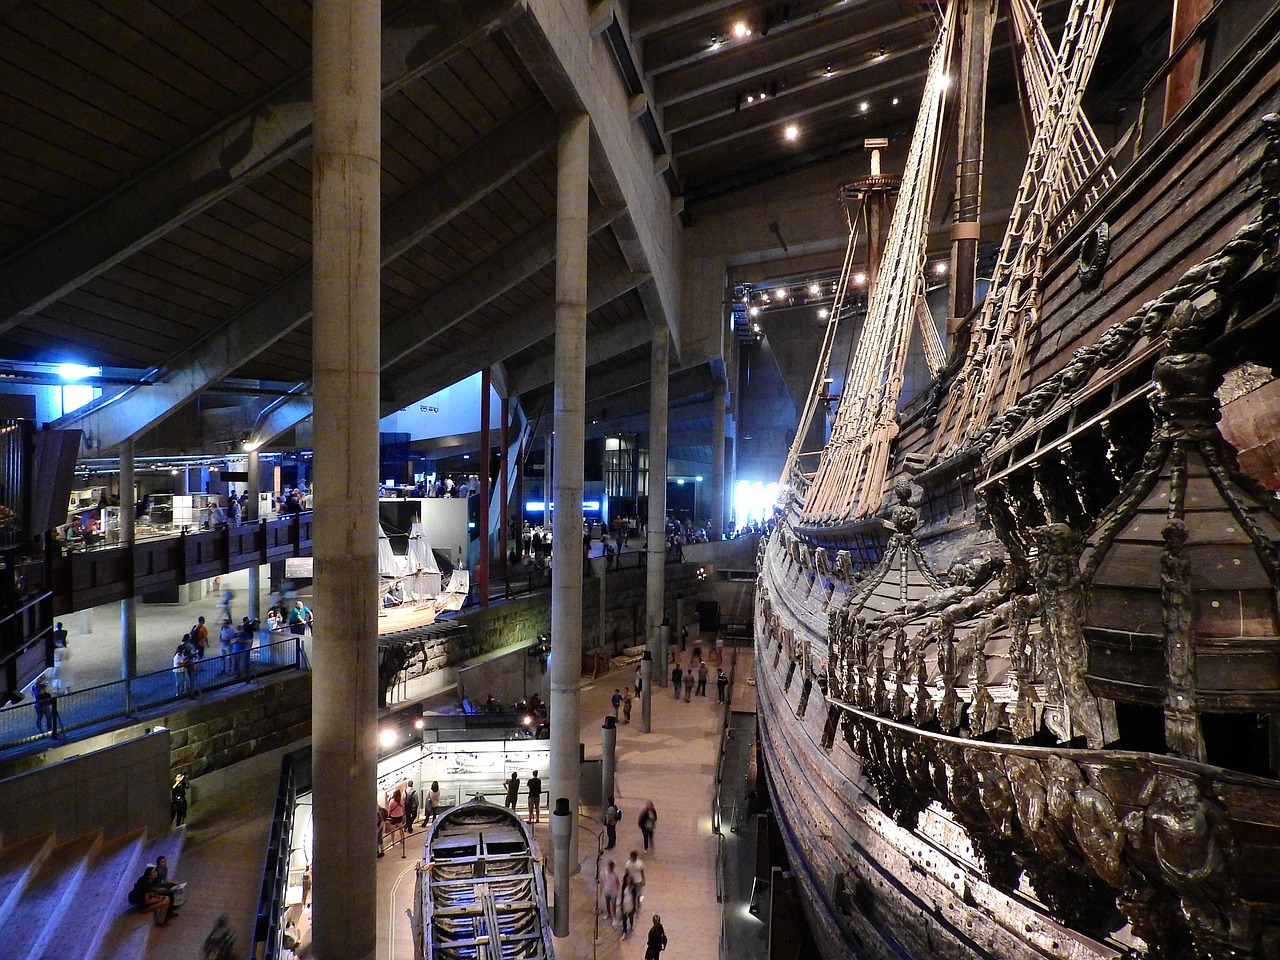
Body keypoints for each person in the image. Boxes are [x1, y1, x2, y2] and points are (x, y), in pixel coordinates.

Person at [386, 787, 407, 857]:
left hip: (393, 817)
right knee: (400, 828)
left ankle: (392, 841)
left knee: (393, 830)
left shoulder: (392, 801)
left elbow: (389, 809)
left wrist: (388, 815)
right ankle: (402, 839)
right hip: (400, 816)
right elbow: (403, 807)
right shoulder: (401, 800)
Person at [618, 873, 638, 938]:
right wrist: (621, 904)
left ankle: (631, 925)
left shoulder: (633, 888)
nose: (628, 881)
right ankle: (624, 932)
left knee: (631, 916)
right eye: (627, 880)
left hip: (630, 904)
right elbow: (622, 895)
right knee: (624, 919)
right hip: (625, 904)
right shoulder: (624, 887)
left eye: (629, 880)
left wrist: (634, 906)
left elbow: (634, 897)